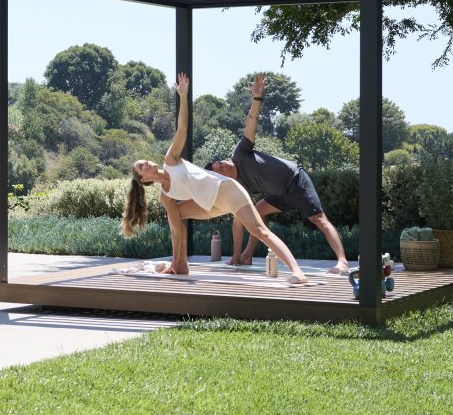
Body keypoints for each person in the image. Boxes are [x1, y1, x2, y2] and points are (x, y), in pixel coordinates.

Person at [122, 71, 309, 283]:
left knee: (260, 231)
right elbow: (176, 230)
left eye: (144, 161)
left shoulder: (171, 160)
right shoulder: (166, 196)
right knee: (175, 217)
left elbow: (182, 128)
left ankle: (297, 271)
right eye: (142, 167)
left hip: (227, 191)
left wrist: (183, 96)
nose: (146, 162)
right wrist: (175, 260)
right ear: (144, 180)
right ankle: (180, 265)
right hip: (210, 205)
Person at [208, 73, 352, 276]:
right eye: (220, 170)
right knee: (255, 213)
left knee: (319, 220)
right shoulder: (237, 185)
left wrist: (257, 97)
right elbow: (238, 221)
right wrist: (235, 256)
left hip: (295, 180)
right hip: (279, 194)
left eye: (221, 163)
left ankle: (342, 262)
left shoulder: (240, 153)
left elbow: (251, 121)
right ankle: (246, 256)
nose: (224, 166)